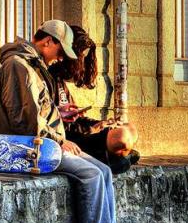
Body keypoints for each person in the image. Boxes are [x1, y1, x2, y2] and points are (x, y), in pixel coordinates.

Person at [0, 20, 136, 223]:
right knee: (90, 174)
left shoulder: (33, 66)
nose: (60, 59)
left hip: (44, 143)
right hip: (28, 148)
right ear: (48, 41)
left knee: (103, 170)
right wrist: (59, 141)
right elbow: (22, 122)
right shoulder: (17, 65)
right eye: (60, 52)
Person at [50, 25, 140, 174]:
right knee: (122, 138)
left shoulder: (59, 82)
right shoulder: (47, 79)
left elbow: (75, 120)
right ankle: (122, 156)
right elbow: (57, 126)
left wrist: (100, 124)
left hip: (79, 133)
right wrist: (92, 129)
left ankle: (122, 156)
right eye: (80, 58)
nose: (81, 64)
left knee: (131, 129)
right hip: (68, 139)